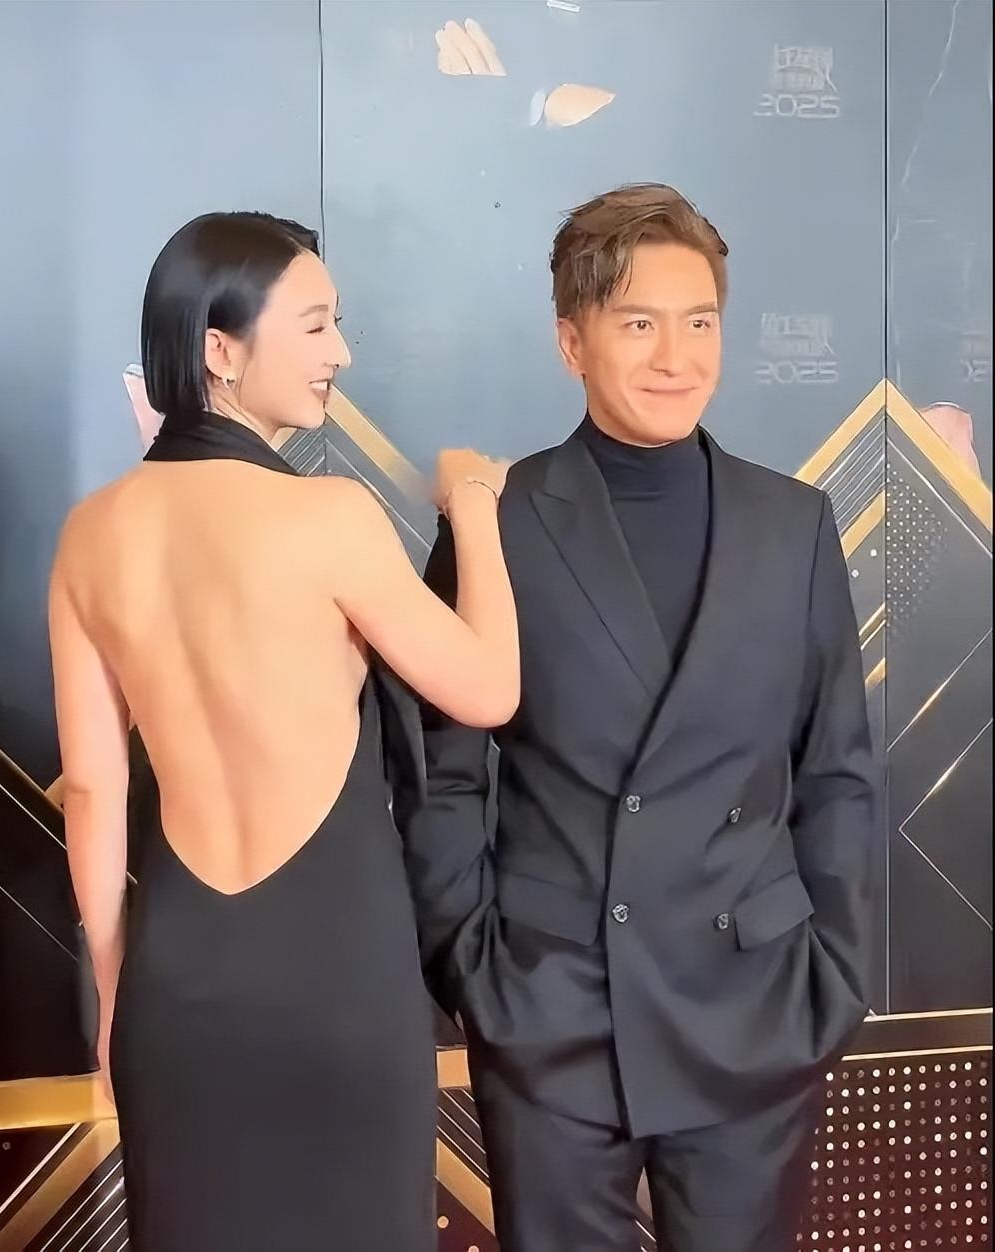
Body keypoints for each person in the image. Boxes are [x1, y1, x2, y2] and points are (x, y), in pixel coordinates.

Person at [405, 183, 878, 1252]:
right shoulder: (500, 522)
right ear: (570, 342)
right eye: (637, 325)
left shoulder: (794, 524)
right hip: (555, 1008)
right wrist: (476, 970)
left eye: (698, 322)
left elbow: (837, 771)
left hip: (755, 1007)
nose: (676, 356)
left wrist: (833, 980)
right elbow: (444, 773)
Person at [47, 210, 519, 1252]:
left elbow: (92, 789)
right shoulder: (330, 518)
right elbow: (487, 689)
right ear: (220, 351)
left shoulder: (90, 535)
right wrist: (478, 505)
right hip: (338, 982)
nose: (339, 352)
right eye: (313, 326)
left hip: (178, 987)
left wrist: (116, 989)